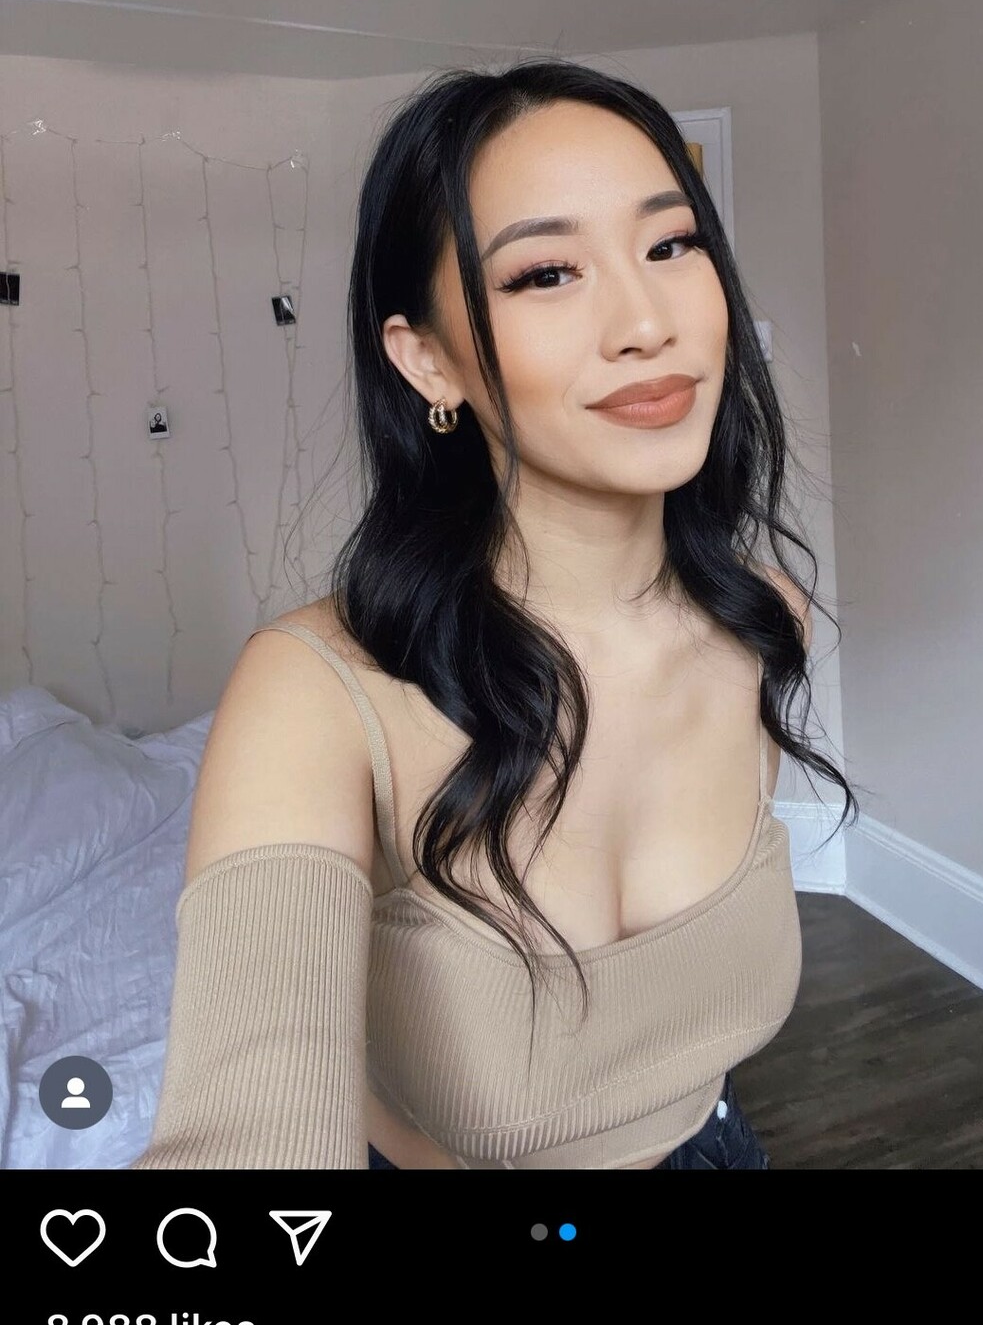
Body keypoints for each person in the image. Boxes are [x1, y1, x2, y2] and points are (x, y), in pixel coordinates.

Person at [133, 57, 853, 1171]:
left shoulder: (766, 621)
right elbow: (246, 1133)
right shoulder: (315, 691)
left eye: (671, 245)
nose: (646, 321)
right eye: (545, 273)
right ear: (427, 361)